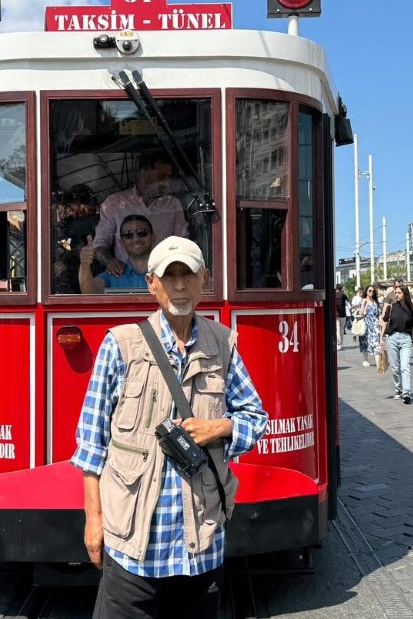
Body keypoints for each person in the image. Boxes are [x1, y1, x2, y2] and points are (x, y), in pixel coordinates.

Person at [71, 236, 268, 618]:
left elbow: (255, 417)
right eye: (169, 275)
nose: (179, 285)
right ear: (151, 284)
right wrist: (93, 521)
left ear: (204, 280)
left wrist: (220, 428)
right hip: (134, 547)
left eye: (188, 275)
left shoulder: (224, 343)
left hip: (202, 544)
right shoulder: (121, 345)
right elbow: (91, 444)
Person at [91, 154, 188, 275]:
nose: (167, 183)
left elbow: (183, 244)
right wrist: (110, 262)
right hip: (126, 279)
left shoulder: (173, 204)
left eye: (169, 177)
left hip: (163, 278)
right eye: (162, 176)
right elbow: (99, 244)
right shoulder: (114, 203)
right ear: (144, 173)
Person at [79, 215, 154, 294]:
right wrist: (85, 265)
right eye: (128, 235)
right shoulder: (114, 274)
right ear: (121, 242)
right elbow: (90, 291)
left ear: (152, 237)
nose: (136, 239)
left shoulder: (164, 272)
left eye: (142, 233)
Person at [381, 286, 413, 404]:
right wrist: (381, 338)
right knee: (395, 368)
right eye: (395, 293)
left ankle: (406, 392)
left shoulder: (410, 308)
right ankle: (398, 389)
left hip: (405, 339)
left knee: (405, 367)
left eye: (399, 293)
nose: (397, 295)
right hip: (392, 338)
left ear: (404, 294)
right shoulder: (392, 307)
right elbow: (384, 322)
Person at [362, 286, 382, 369]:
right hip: (366, 325)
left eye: (373, 291)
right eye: (369, 290)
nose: (371, 292)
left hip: (375, 325)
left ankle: (378, 363)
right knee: (365, 342)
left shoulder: (375, 302)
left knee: (376, 342)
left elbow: (379, 314)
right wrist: (363, 304)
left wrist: (380, 322)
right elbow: (360, 313)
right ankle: (365, 359)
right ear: (366, 291)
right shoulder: (364, 301)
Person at [351, 287, 369, 357]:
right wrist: (358, 305)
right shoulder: (355, 298)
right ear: (358, 292)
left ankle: (359, 332)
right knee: (356, 324)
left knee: (361, 325)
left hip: (363, 315)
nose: (361, 294)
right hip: (356, 314)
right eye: (360, 292)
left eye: (362, 292)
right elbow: (353, 306)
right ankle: (354, 334)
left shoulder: (364, 298)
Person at [334, 285, 349, 351]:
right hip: (343, 314)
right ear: (341, 289)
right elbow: (347, 303)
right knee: (342, 329)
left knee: (337, 328)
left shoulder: (333, 295)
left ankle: (339, 343)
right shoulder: (343, 295)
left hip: (336, 314)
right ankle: (341, 343)